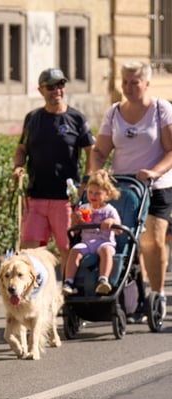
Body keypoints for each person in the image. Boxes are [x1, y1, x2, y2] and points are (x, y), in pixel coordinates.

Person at [90, 61, 172, 320]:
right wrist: (95, 171)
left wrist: (154, 171)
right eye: (124, 82)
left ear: (146, 84)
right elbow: (100, 150)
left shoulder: (161, 109)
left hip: (155, 187)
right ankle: (132, 296)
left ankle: (157, 293)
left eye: (134, 82)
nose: (128, 87)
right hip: (123, 189)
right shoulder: (114, 113)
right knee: (125, 240)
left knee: (151, 241)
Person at [12, 68, 95, 272]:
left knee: (67, 249)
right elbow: (21, 149)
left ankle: (68, 294)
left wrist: (86, 182)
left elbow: (92, 152)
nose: (56, 90)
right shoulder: (32, 118)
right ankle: (36, 294)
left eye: (60, 85)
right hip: (36, 197)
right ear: (41, 90)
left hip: (65, 199)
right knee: (29, 251)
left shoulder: (76, 118)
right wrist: (18, 167)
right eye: (50, 86)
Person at [61, 170, 122, 296]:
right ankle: (68, 282)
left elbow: (119, 230)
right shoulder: (83, 208)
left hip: (104, 242)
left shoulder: (110, 210)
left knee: (106, 251)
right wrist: (75, 221)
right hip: (87, 243)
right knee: (74, 251)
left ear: (107, 195)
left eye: (98, 193)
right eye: (90, 192)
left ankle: (103, 280)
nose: (93, 195)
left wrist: (111, 222)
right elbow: (75, 231)